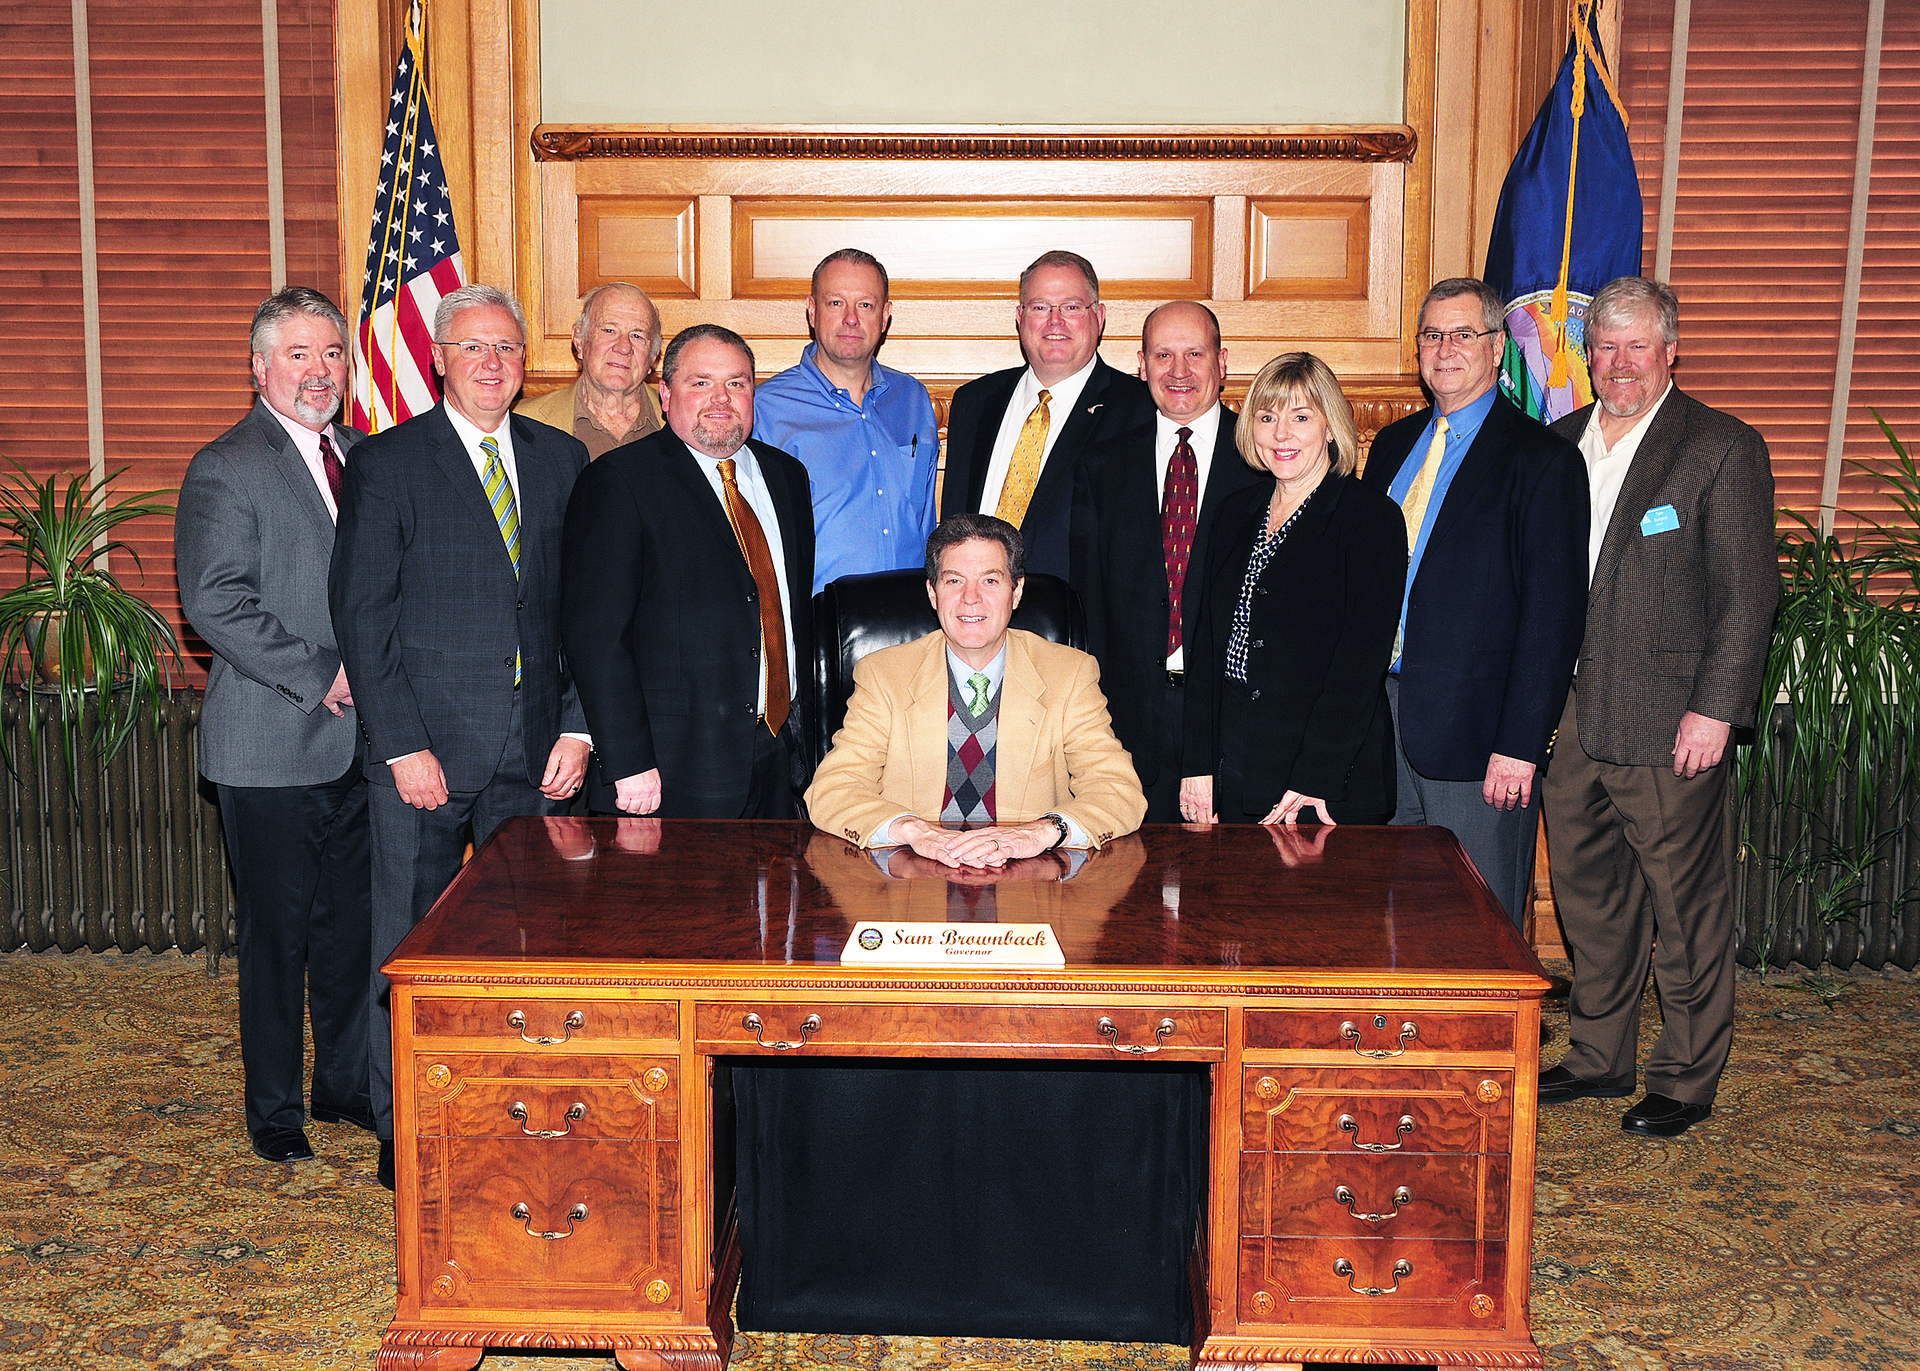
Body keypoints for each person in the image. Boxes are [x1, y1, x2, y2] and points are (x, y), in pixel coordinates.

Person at [329, 282, 592, 1189]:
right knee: (408, 949)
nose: (493, 363)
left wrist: (581, 726)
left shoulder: (562, 460)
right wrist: (401, 744)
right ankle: (404, 1131)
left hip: (539, 753)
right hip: (427, 755)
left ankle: (524, 1113)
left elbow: (582, 618)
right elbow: (363, 616)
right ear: (438, 357)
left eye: (509, 349)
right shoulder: (390, 462)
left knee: (538, 945)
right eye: (475, 347)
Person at [1539, 277, 1778, 1138]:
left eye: (1639, 345)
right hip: (1571, 720)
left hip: (1671, 722)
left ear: (1671, 351)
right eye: (1606, 345)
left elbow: (1749, 595)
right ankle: (1601, 1054)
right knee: (1590, 898)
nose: (1621, 362)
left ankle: (1684, 1074)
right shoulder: (1559, 443)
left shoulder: (1719, 446)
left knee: (1686, 908)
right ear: (1588, 353)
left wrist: (1716, 710)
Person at [176, 286, 372, 1168]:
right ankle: (275, 1111)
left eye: (331, 353)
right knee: (277, 938)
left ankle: (341, 1084)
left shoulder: (366, 458)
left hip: (365, 749)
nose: (319, 371)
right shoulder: (227, 464)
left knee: (350, 932)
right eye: (298, 355)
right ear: (260, 369)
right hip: (268, 748)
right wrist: (321, 670)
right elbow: (215, 601)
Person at [1361, 277, 1589, 926]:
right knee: (1389, 912)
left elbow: (1553, 615)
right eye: (1432, 334)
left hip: (1479, 738)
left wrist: (1521, 744)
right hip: (1383, 722)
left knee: (1475, 923)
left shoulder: (1542, 460)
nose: (1445, 348)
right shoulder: (1392, 448)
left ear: (1497, 349)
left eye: (1464, 333)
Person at [562, 324, 815, 818]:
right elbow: (595, 637)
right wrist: (627, 761)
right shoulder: (618, 481)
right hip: (670, 768)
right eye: (701, 382)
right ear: (665, 392)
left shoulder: (787, 477)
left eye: (737, 383)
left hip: (777, 754)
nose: (721, 399)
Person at [804, 513, 1146, 864]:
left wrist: (1041, 832)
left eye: (990, 581)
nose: (970, 598)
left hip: (1028, 884)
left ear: (1017, 592)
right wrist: (911, 829)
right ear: (932, 593)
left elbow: (1118, 790)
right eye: (954, 581)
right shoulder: (884, 675)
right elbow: (833, 790)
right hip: (914, 883)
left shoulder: (1068, 674)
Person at [1179, 352, 1406, 826]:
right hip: (1234, 760)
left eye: (1301, 417)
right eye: (1267, 417)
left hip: (1326, 779)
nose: (1281, 434)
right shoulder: (1232, 513)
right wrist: (1198, 765)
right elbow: (1203, 644)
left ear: (1330, 426)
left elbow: (1360, 663)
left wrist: (1315, 777)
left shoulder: (1370, 518)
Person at [1071, 301, 1266, 822]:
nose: (1179, 372)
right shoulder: (1102, 463)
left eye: (1195, 354)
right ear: (1141, 364)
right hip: (1127, 723)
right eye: (1163, 355)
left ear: (1222, 362)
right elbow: (1088, 601)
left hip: (1234, 722)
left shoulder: (1265, 462)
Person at [939, 250, 1152, 579]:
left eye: (1071, 307)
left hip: (1078, 623)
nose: (1055, 321)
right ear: (1020, 316)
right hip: (973, 619)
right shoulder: (973, 402)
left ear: (1099, 316)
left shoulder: (1140, 409)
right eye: (1040, 307)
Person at [752, 249, 940, 595]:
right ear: (812, 310)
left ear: (885, 316)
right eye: (836, 303)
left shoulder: (912, 399)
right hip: (816, 624)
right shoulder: (766, 409)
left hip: (912, 623)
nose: (851, 319)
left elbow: (927, 519)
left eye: (865, 305)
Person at [514, 282, 663, 457]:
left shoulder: (682, 423)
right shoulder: (522, 422)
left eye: (637, 336)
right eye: (609, 330)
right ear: (579, 341)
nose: (624, 347)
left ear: (653, 355)